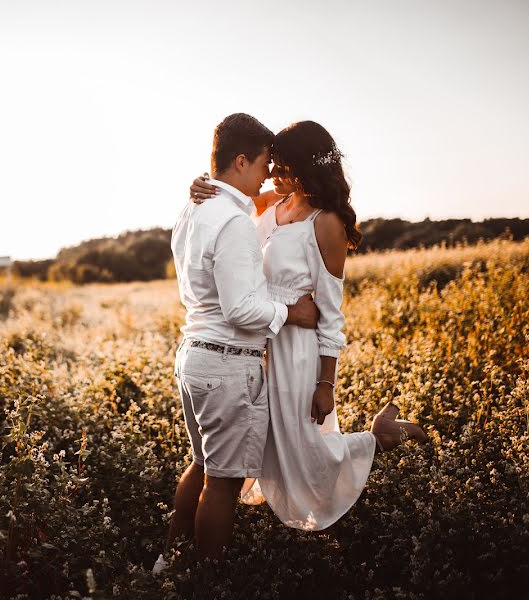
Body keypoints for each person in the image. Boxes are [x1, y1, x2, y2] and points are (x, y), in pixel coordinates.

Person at [188, 120, 428, 532]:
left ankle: (381, 437)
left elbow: (331, 315)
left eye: (283, 167)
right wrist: (199, 186)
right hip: (255, 344)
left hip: (296, 351)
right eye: (273, 165)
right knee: (262, 447)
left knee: (306, 452)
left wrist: (325, 384)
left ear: (305, 168)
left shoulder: (326, 222)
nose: (274, 175)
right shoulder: (270, 205)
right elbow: (229, 197)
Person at [157, 113, 321, 572]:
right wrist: (294, 312)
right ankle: (210, 582)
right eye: (265, 162)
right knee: (224, 481)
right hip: (226, 364)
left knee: (200, 463)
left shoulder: (193, 207)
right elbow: (241, 309)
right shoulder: (233, 221)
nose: (269, 172)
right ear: (242, 159)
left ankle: (166, 561)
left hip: (195, 355)